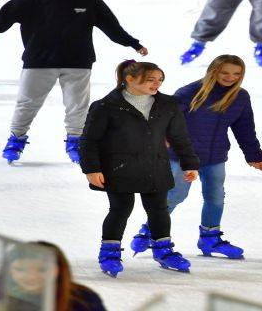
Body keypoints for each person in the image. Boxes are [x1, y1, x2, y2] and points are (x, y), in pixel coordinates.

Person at [0, 0, 147, 164]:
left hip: (78, 62)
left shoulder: (89, 1)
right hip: (39, 62)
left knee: (77, 105)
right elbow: (3, 16)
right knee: (27, 103)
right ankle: (16, 139)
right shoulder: (31, 1)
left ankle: (75, 141)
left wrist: (133, 43)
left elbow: (112, 27)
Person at [130, 55, 262, 260]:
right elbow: (163, 117)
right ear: (213, 71)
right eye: (225, 72)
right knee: (176, 194)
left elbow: (245, 128)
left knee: (215, 197)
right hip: (181, 156)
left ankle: (210, 238)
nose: (230, 77)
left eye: (236, 73)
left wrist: (253, 154)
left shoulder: (240, 97)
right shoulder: (189, 93)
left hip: (215, 156)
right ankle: (150, 230)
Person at [79, 60, 199, 275]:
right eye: (151, 79)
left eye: (160, 80)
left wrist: (189, 163)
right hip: (118, 167)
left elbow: (179, 137)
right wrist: (91, 169)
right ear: (130, 79)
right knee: (120, 209)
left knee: (159, 209)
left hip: (155, 165)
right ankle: (109, 252)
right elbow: (89, 141)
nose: (157, 84)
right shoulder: (105, 106)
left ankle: (163, 250)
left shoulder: (167, 105)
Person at [0, 241, 106, 311]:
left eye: (42, 269)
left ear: (59, 270)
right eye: (21, 269)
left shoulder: (84, 301)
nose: (31, 276)